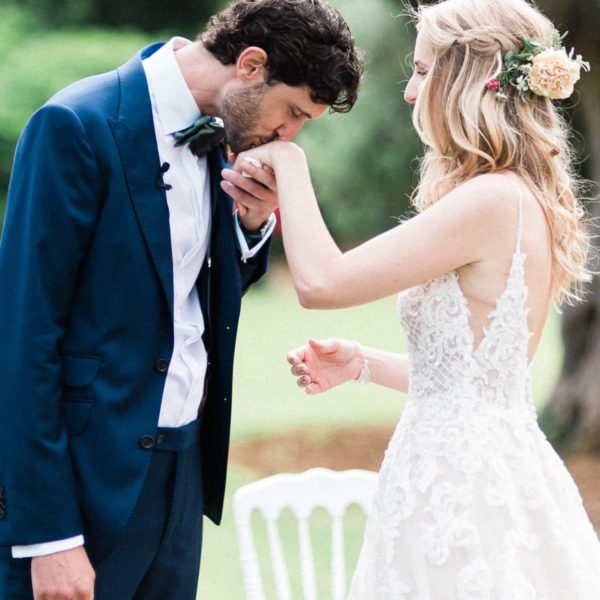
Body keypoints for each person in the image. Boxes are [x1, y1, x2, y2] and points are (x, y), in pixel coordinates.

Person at [222, 0, 600, 596]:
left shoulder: (492, 201)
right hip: (467, 465)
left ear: (467, 80)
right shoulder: (512, 195)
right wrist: (363, 363)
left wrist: (290, 163)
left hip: (462, 487)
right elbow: (477, 381)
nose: (408, 93)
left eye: (422, 71)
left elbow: (323, 283)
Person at [0, 0, 363, 597]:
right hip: (85, 482)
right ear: (250, 65)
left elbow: (190, 297)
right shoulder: (75, 125)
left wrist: (251, 226)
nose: (288, 135)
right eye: (293, 112)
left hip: (182, 472)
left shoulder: (226, 137)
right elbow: (22, 338)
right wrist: (49, 535)